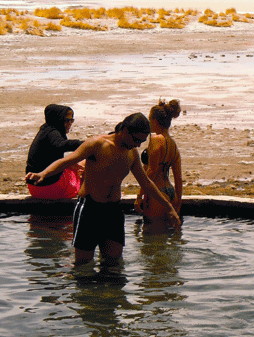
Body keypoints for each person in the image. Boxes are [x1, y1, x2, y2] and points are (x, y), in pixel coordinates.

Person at [25, 112, 181, 266]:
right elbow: (67, 161)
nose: (138, 145)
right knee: (83, 265)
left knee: (113, 265)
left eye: (142, 141)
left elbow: (146, 182)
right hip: (89, 209)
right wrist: (43, 173)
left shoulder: (131, 153)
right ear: (125, 131)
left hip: (113, 211)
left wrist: (169, 207)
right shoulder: (97, 144)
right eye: (136, 140)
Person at [134, 99, 183, 229]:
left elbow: (152, 171)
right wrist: (178, 202)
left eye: (149, 120)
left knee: (151, 240)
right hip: (171, 192)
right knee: (165, 236)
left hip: (157, 193)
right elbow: (178, 178)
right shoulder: (172, 144)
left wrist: (139, 195)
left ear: (155, 121)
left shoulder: (156, 139)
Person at [26, 104, 84, 199]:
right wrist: (86, 144)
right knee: (86, 164)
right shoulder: (52, 133)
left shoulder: (45, 131)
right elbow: (61, 145)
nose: (70, 123)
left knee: (75, 166)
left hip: (34, 189)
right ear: (58, 119)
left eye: (71, 120)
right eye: (67, 120)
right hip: (51, 189)